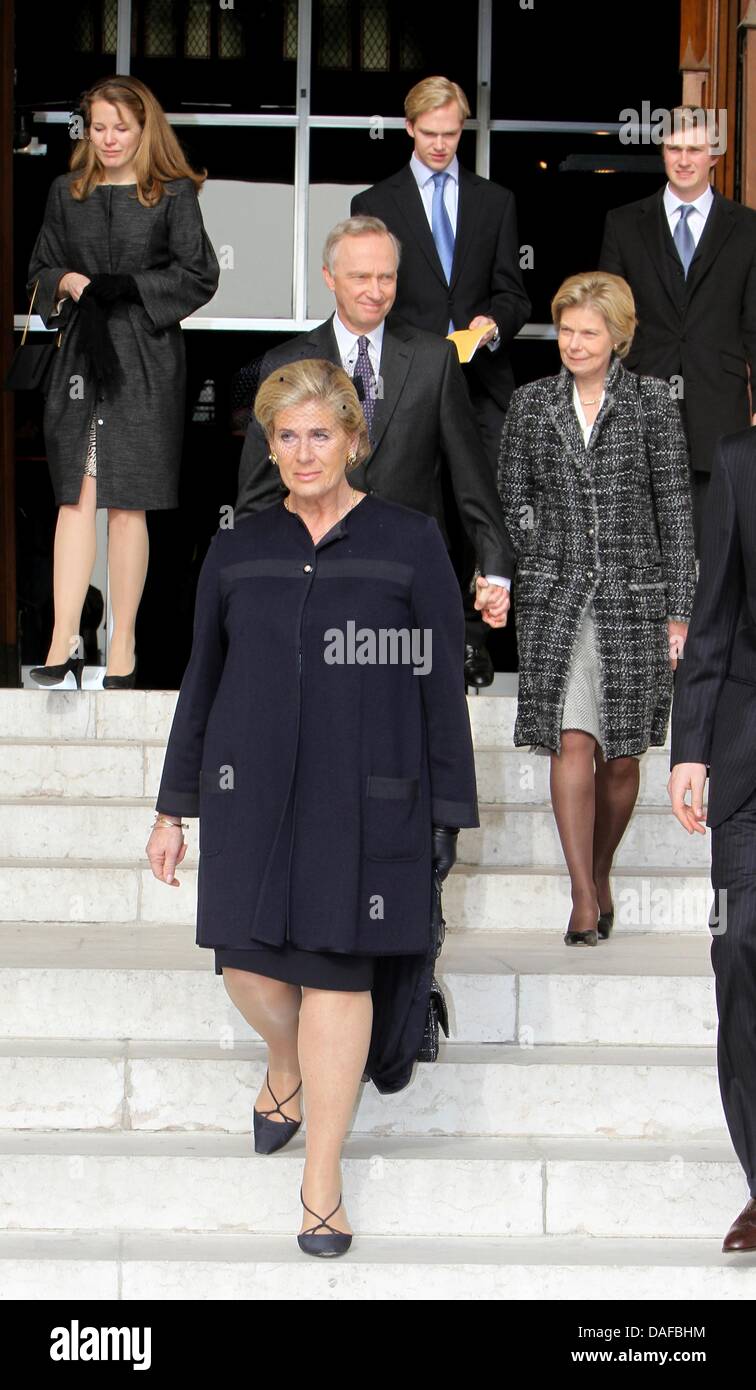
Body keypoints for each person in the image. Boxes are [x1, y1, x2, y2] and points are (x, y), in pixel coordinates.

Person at [146, 359, 479, 1257]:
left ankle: (321, 1181)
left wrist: (447, 811)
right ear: (269, 442)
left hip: (366, 799)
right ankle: (286, 1064)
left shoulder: (409, 541)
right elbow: (202, 685)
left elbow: (438, 684)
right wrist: (174, 808)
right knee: (248, 967)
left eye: (320, 433)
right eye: (285, 435)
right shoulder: (237, 547)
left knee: (338, 975)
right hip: (247, 795)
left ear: (354, 439)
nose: (303, 451)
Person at [498, 272, 696, 945]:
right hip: (557, 601)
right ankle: (584, 896)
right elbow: (511, 497)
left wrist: (679, 611)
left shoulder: (652, 406)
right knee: (571, 738)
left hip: (633, 602)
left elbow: (675, 512)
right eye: (566, 330)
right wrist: (539, 550)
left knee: (621, 756)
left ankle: (601, 872)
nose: (573, 343)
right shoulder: (530, 405)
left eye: (588, 332)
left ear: (618, 337)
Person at [234, 215, 511, 667]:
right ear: (329, 278)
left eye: (386, 276)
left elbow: (472, 480)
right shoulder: (286, 363)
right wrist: (255, 581)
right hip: (315, 580)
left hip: (411, 580)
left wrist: (495, 569)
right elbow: (257, 495)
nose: (375, 289)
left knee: (411, 721)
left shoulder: (434, 360)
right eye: (360, 276)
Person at [27, 75, 219, 690]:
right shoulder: (66, 191)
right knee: (73, 496)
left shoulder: (172, 194)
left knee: (128, 503)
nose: (109, 139)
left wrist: (134, 286)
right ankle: (62, 639)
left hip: (144, 357)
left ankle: (123, 643)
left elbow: (199, 275)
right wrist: (70, 283)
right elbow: (38, 269)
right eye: (99, 127)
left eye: (122, 128)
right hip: (80, 355)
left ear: (145, 130)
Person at [352, 76, 531, 685]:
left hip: (481, 382)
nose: (439, 145)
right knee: (421, 507)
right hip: (410, 381)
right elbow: (373, 300)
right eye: (429, 134)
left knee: (482, 508)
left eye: (451, 134)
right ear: (408, 128)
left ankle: (474, 641)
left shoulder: (494, 200)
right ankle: (419, 634)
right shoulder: (374, 202)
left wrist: (493, 325)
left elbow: (514, 292)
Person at [669, 424, 756, 1253]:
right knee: (738, 949)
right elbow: (716, 614)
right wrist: (691, 746)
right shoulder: (737, 465)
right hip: (749, 763)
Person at [599, 107, 756, 552]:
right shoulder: (625, 222)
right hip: (642, 399)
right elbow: (609, 321)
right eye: (673, 148)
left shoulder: (748, 229)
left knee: (713, 548)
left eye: (694, 148)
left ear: (714, 156)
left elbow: (755, 326)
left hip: (719, 407)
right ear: (662, 151)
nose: (683, 159)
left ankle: (701, 626)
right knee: (642, 551)